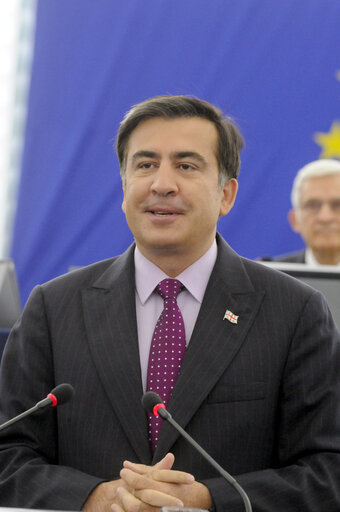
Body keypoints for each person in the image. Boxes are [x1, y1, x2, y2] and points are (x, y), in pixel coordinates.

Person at [0, 95, 340, 512]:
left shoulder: (295, 312)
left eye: (186, 165)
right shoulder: (54, 309)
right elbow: (8, 456)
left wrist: (209, 499)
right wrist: (94, 497)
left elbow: (327, 470)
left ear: (226, 195)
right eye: (144, 165)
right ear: (125, 188)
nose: (162, 184)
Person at [274, 159, 340, 265]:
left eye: (337, 205)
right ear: (294, 220)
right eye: (313, 206)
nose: (325, 217)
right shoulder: (270, 278)